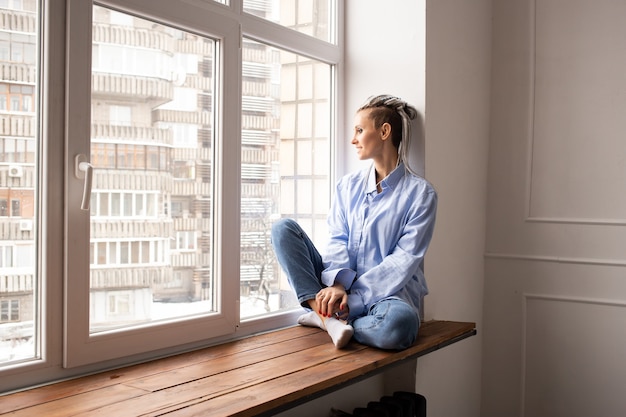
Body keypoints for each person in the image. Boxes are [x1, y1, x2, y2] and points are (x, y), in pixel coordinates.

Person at [271, 95, 437, 350]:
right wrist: (338, 285)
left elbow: (403, 261)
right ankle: (330, 319)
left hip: (387, 296)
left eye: (360, 130)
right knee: (283, 229)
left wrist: (353, 298)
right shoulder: (347, 186)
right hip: (336, 288)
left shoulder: (421, 195)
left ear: (384, 131)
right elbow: (338, 239)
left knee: (399, 326)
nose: (353, 139)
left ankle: (327, 318)